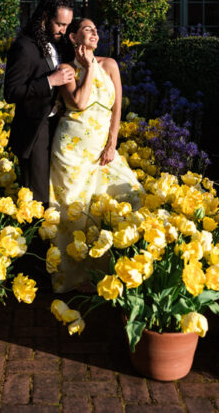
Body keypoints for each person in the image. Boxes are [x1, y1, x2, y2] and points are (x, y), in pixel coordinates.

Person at [49, 17, 143, 292]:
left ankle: (107, 274)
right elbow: (77, 103)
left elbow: (117, 107)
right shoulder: (66, 69)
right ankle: (73, 281)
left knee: (130, 195)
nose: (95, 33)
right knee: (74, 212)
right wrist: (88, 67)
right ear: (73, 37)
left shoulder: (111, 65)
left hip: (102, 149)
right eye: (87, 29)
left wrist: (113, 142)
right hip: (72, 151)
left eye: (96, 29)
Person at [4, 0, 74, 205]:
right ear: (44, 17)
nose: (63, 30)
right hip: (34, 131)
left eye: (67, 25)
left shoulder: (55, 44)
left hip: (55, 125)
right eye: (59, 24)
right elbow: (11, 92)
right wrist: (50, 81)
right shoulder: (24, 46)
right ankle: (36, 238)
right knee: (37, 198)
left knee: (53, 191)